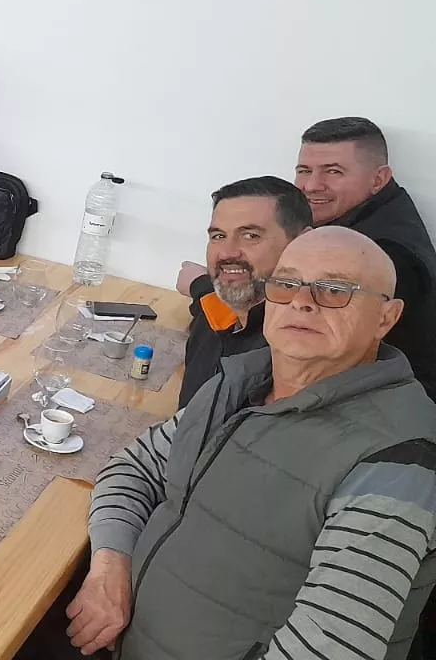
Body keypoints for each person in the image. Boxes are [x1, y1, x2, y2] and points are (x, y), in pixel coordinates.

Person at [67, 226, 436, 659]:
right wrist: (111, 564)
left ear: (385, 318)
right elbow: (134, 466)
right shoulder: (243, 382)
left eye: (334, 290)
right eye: (287, 283)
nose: (301, 301)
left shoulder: (397, 461)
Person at [294, 117, 436, 401]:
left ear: (378, 179)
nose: (311, 185)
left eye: (333, 172)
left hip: (390, 409)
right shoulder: (370, 215)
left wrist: (203, 291)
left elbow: (311, 344)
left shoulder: (383, 252)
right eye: (304, 170)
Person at [175, 176, 312, 408]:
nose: (228, 253)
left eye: (251, 236)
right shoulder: (215, 312)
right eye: (218, 236)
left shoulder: (300, 349)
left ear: (302, 242)